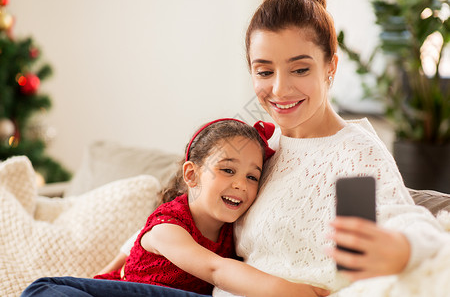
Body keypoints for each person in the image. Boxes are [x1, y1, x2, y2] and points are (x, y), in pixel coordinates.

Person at [22, 0, 447, 296]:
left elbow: (408, 224)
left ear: (331, 67)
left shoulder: (351, 153)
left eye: (300, 68)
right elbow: (199, 208)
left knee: (45, 290)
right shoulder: (262, 145)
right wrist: (127, 251)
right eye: (264, 71)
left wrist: (403, 248)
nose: (279, 89)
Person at [22, 118, 330, 297]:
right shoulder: (168, 226)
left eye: (252, 176)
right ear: (191, 175)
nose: (241, 184)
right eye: (228, 170)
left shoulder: (235, 232)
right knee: (45, 290)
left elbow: (126, 249)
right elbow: (215, 269)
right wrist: (302, 292)